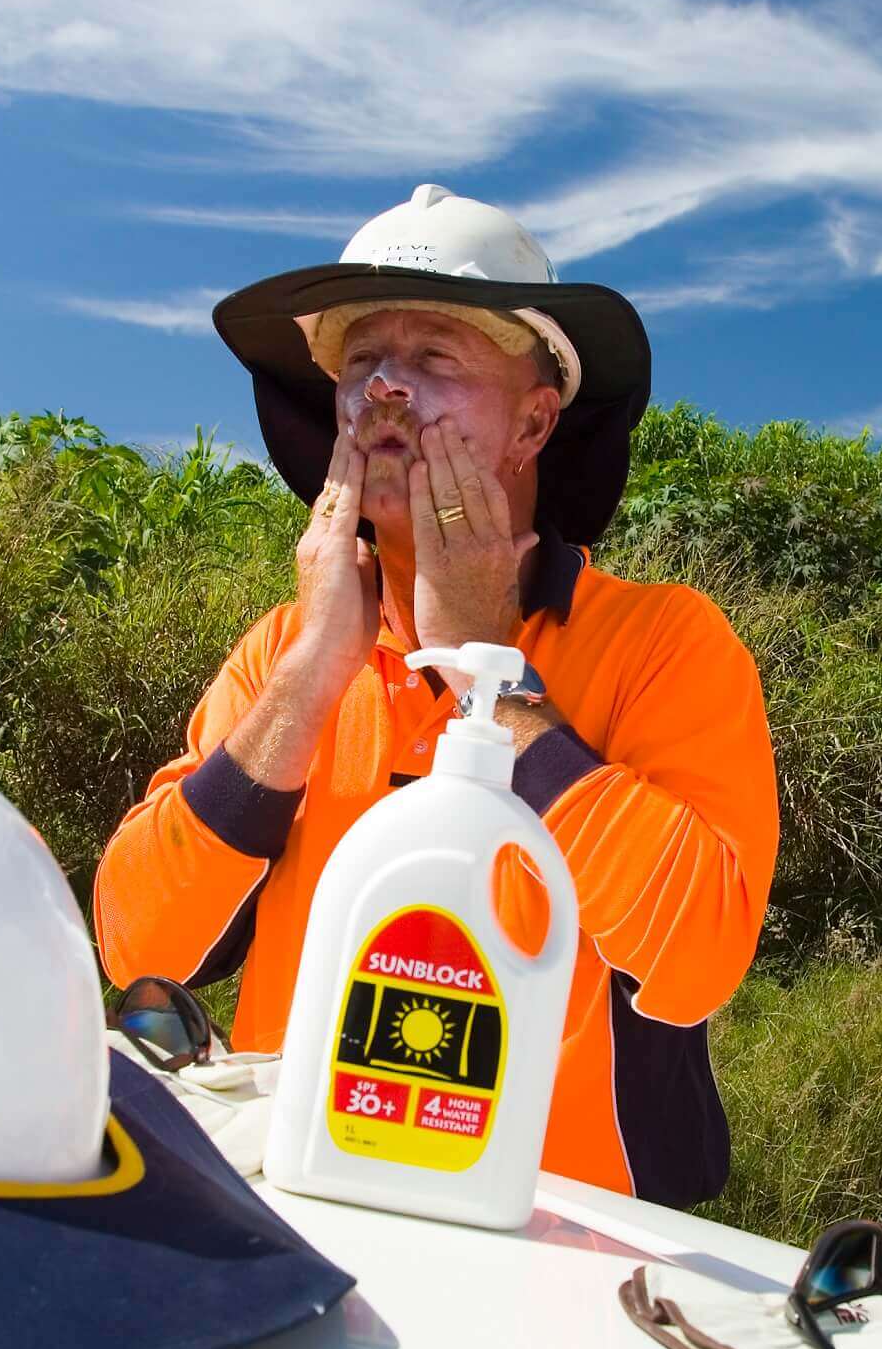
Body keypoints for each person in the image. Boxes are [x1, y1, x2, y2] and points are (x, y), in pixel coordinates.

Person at [95, 186, 777, 1207]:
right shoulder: (286, 645)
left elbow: (697, 957)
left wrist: (490, 674)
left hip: (559, 1234)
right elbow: (140, 945)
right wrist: (311, 678)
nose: (384, 393)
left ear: (536, 418)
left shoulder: (662, 639)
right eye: (361, 360)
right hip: (299, 1200)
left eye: (433, 359)